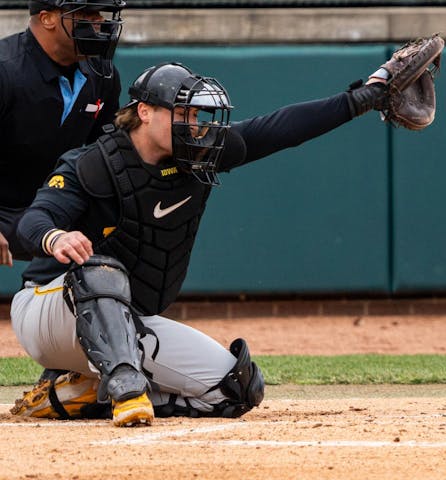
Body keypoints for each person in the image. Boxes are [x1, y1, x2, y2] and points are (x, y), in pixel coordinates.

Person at [9, 59, 417, 426]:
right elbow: (34, 221)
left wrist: (365, 97)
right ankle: (125, 391)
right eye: (180, 112)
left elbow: (280, 129)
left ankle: (70, 395)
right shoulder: (93, 164)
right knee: (101, 270)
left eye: (195, 113)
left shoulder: (199, 154)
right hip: (47, 310)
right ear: (145, 112)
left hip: (127, 321)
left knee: (235, 389)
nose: (194, 122)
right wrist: (55, 236)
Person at [0, 0, 125, 267]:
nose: (98, 23)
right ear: (47, 19)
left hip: (54, 209)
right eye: (85, 14)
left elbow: (106, 153)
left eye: (100, 14)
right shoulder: (5, 70)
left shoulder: (103, 74)